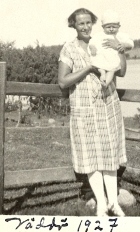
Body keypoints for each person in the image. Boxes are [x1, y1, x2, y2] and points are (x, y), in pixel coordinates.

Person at [58, 8, 127, 216]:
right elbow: (63, 81)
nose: (86, 27)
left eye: (89, 22)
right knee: (90, 157)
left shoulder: (104, 40)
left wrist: (121, 50)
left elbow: (122, 71)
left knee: (109, 155)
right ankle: (101, 204)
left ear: (93, 23)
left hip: (108, 106)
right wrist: (88, 68)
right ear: (74, 26)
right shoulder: (69, 49)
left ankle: (114, 203)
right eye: (81, 24)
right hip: (84, 108)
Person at [89, 10, 134, 88]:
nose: (111, 29)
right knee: (100, 67)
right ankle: (102, 75)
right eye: (108, 27)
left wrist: (124, 45)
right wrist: (92, 47)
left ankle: (105, 83)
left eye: (114, 27)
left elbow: (131, 44)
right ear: (103, 27)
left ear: (119, 26)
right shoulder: (99, 35)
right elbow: (92, 42)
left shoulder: (121, 35)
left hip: (113, 58)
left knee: (112, 70)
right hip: (102, 57)